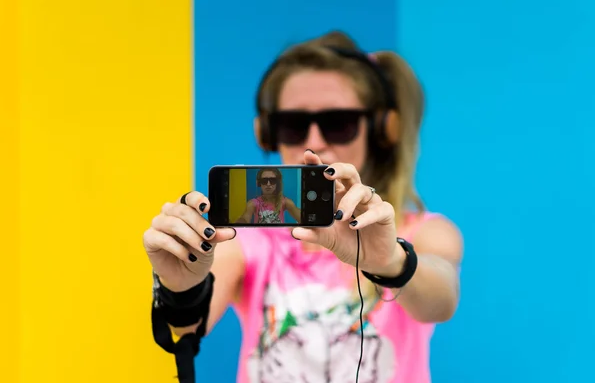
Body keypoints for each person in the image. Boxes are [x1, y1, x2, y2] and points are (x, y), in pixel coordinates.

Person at [144, 30, 464, 383]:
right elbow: (186, 326)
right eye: (293, 126)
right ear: (268, 133)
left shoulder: (425, 232)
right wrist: (180, 287)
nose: (314, 142)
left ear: (380, 131)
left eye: (338, 124)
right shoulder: (249, 242)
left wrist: (391, 261)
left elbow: (441, 300)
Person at [235, 167, 301, 224]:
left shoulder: (285, 202)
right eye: (264, 181)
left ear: (277, 183)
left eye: (272, 180)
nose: (268, 184)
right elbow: (245, 219)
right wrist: (239, 222)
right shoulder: (253, 203)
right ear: (259, 183)